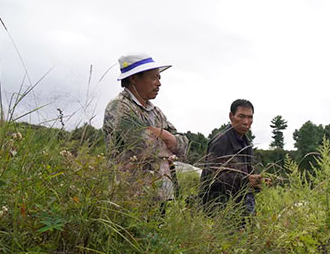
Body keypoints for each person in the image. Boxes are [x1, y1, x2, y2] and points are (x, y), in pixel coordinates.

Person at [102, 53, 189, 205]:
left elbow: (184, 145)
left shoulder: (155, 111)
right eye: (153, 78)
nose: (159, 83)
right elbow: (144, 147)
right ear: (134, 78)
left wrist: (167, 137)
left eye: (159, 78)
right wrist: (167, 144)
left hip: (161, 194)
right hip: (130, 195)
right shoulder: (119, 107)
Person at [198, 99, 267, 219]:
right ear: (231, 116)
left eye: (250, 117)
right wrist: (246, 181)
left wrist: (258, 182)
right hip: (219, 206)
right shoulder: (221, 141)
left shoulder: (246, 143)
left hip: (241, 204)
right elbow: (212, 175)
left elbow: (248, 174)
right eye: (241, 116)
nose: (246, 122)